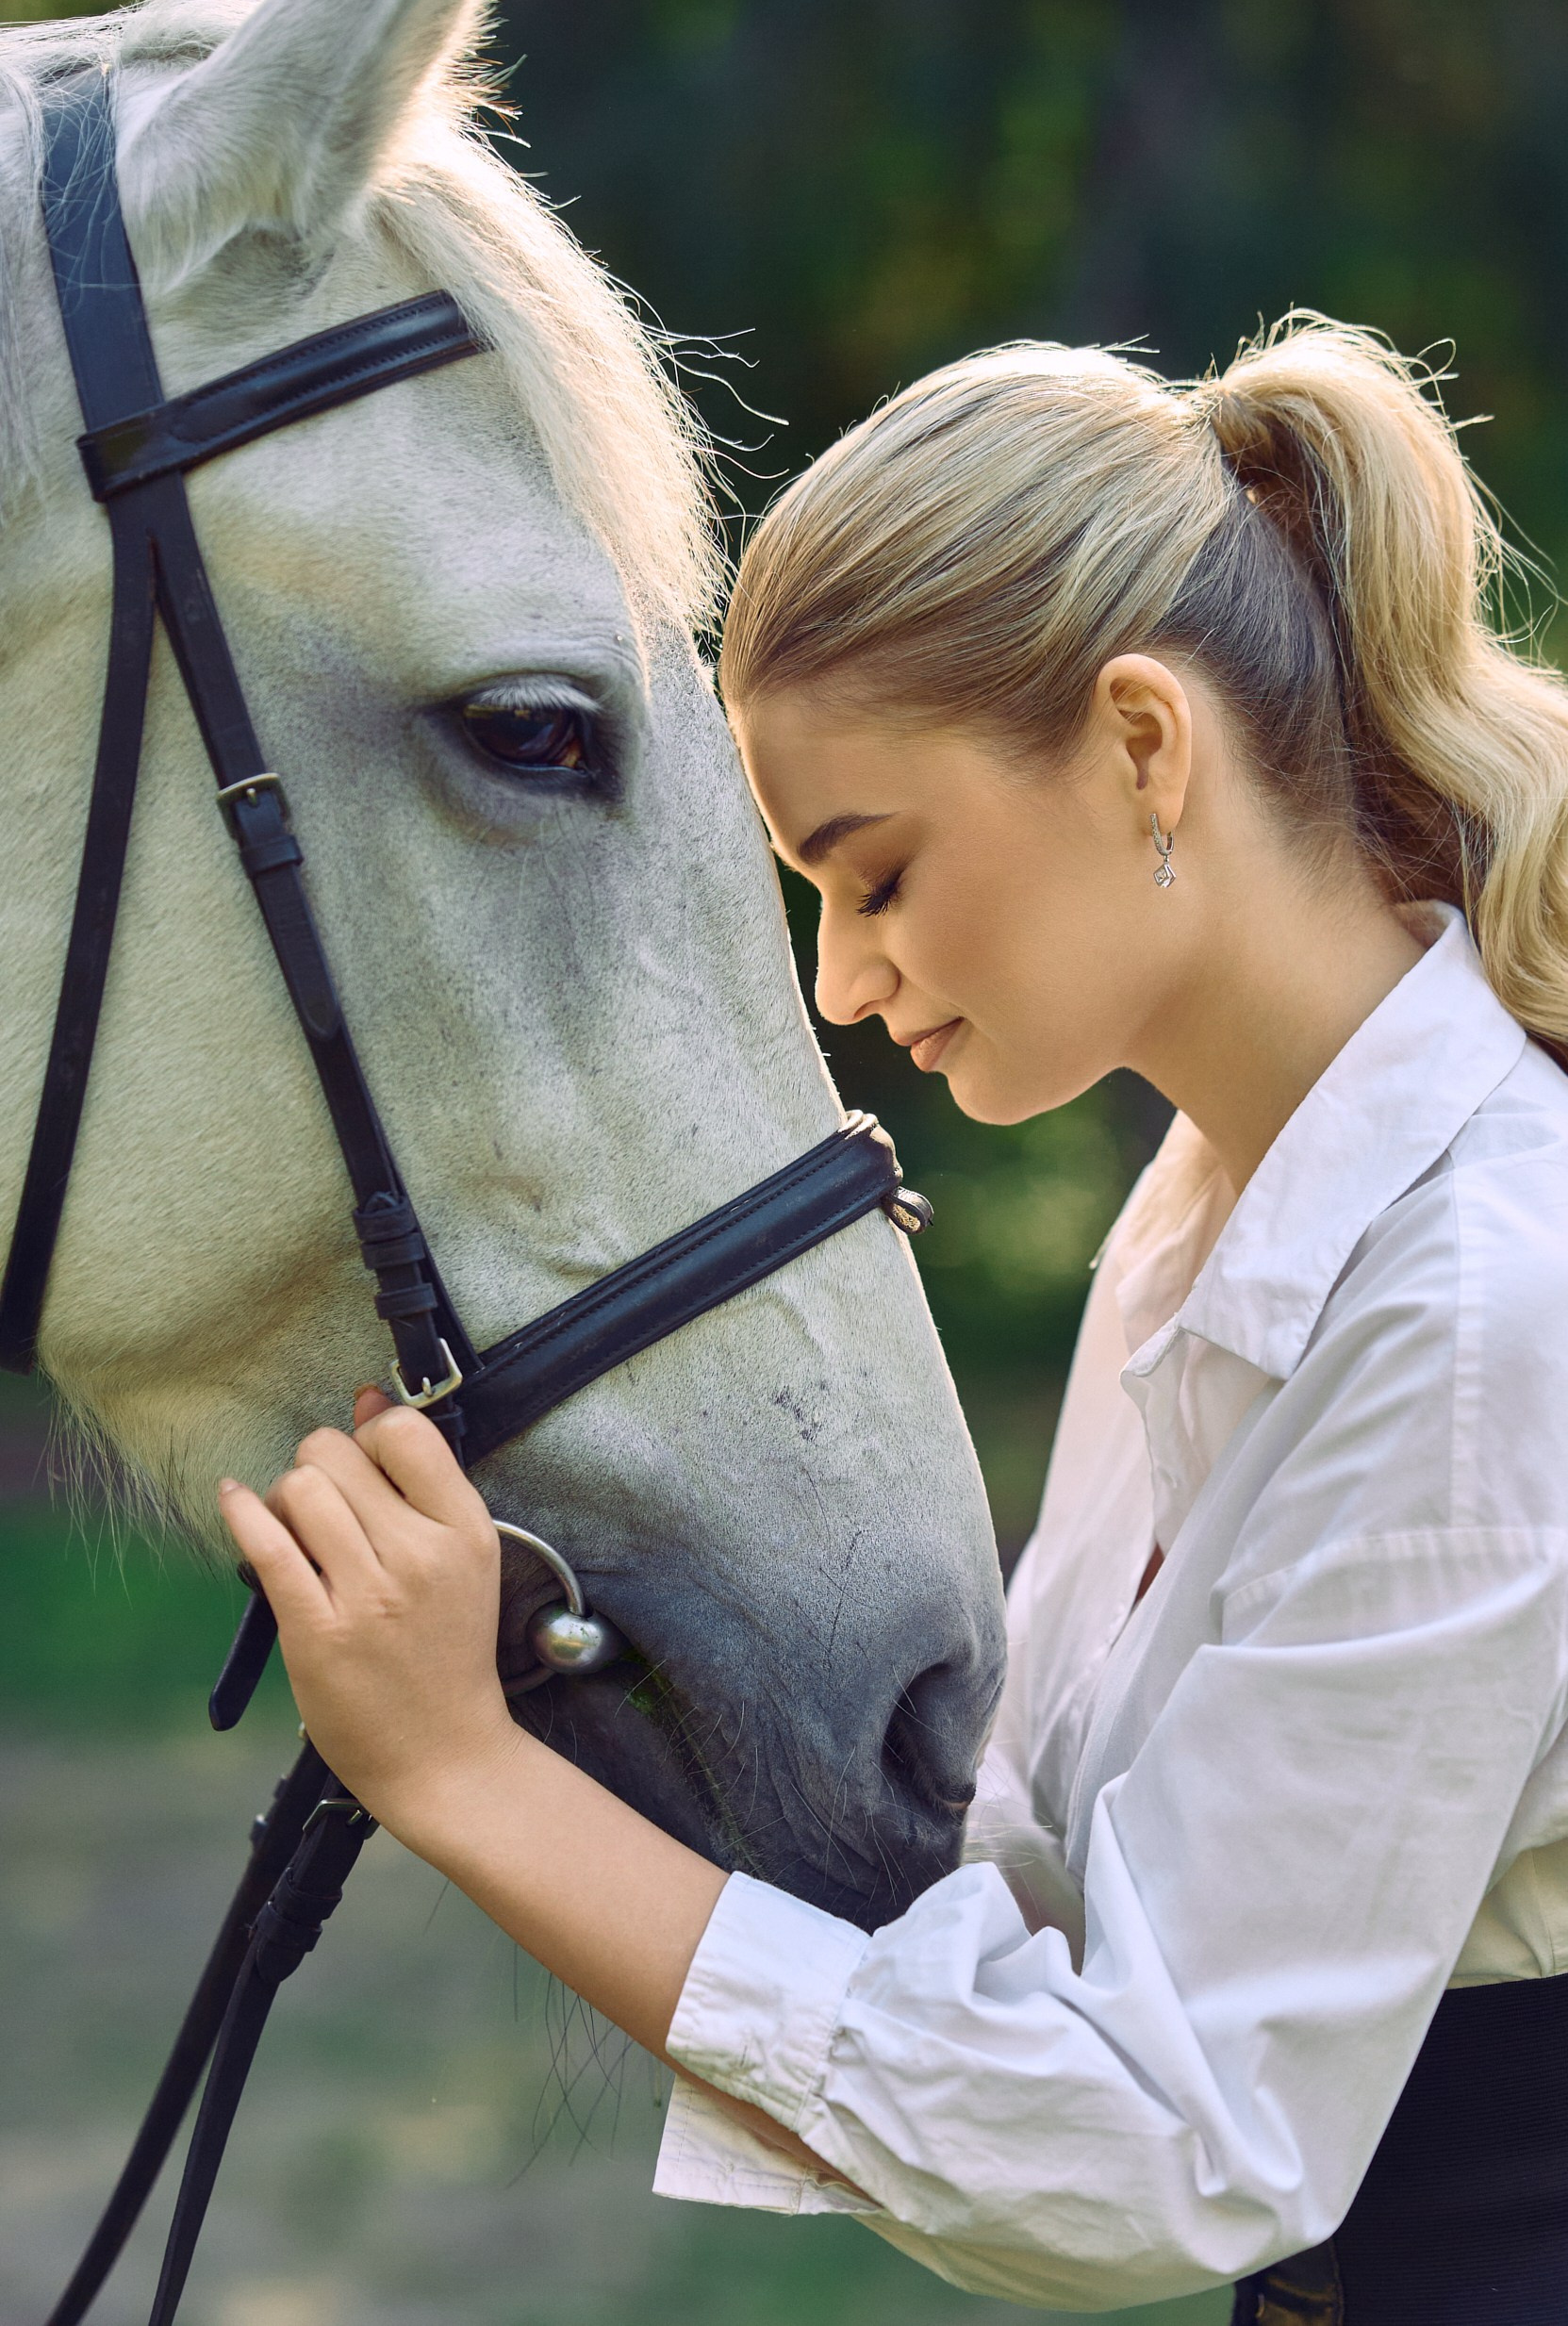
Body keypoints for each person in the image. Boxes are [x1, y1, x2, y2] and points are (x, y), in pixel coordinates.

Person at [218, 313, 1568, 2324]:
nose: (841, 983)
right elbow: (1020, 1923)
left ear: (1138, 744)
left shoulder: (1478, 1297)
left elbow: (1151, 2134)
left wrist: (463, 1776)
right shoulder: (1213, 1220)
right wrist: (543, 1716)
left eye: (877, 874)